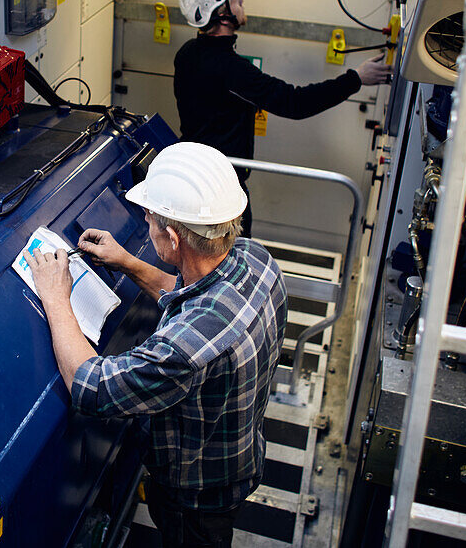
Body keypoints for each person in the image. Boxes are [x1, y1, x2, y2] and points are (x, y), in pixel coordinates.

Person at [26, 142, 288, 548]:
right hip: (238, 455)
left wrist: (55, 296)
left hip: (197, 496)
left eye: (148, 218)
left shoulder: (184, 350)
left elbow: (92, 386)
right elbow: (193, 297)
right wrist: (128, 262)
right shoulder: (256, 259)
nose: (145, 224)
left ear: (171, 236)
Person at [174, 0, 392, 236]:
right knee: (235, 264)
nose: (241, 1)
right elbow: (294, 103)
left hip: (197, 177)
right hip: (222, 190)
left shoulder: (188, 53)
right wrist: (356, 79)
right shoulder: (230, 69)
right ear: (221, 14)